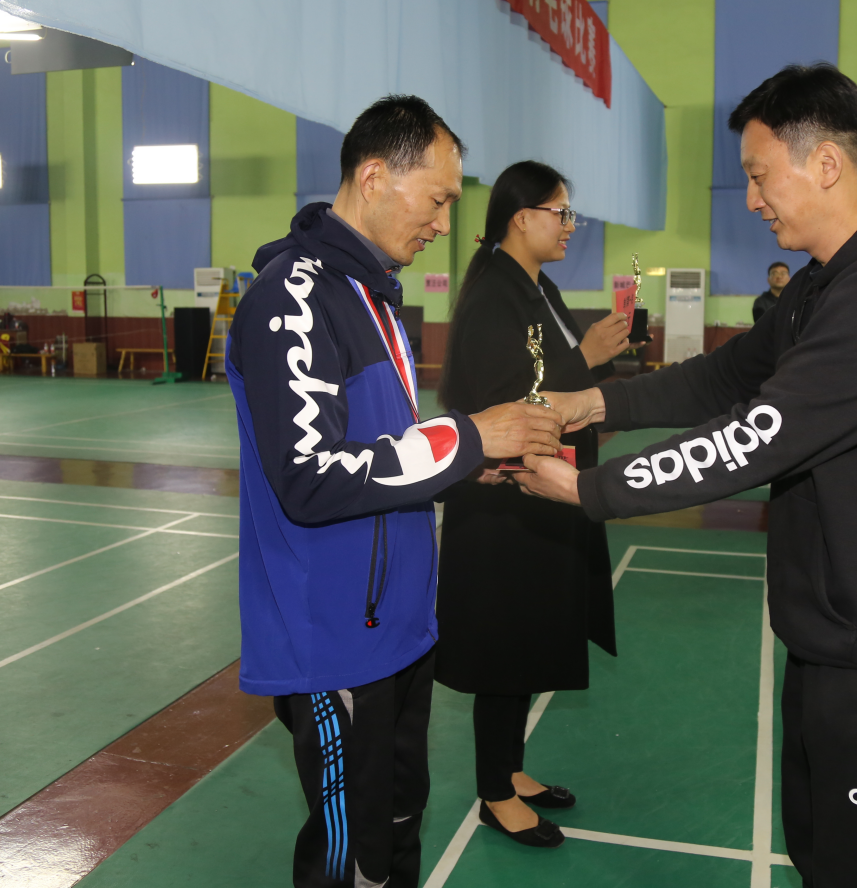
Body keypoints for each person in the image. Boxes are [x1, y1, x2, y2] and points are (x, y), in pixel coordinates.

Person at [516, 64, 857, 888]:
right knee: (824, 857)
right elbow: (726, 376)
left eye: (758, 174)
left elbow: (757, 435)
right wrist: (590, 404)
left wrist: (590, 490)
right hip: (835, 635)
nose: (749, 199)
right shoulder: (825, 285)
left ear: (826, 164)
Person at [226, 95, 564, 888]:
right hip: (332, 640)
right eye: (438, 199)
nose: (445, 223)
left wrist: (464, 466)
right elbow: (309, 477)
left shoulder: (372, 293)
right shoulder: (291, 297)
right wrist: (470, 437)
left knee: (400, 827)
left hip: (402, 627)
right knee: (352, 860)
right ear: (374, 177)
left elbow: (381, 444)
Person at [434, 161, 632, 849]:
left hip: (539, 496)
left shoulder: (537, 287)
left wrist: (594, 365)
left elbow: (548, 377)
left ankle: (511, 770)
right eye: (560, 212)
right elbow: (501, 404)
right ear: (522, 217)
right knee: (504, 648)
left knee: (526, 645)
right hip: (501, 506)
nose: (570, 225)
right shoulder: (495, 295)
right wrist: (588, 357)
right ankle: (495, 793)